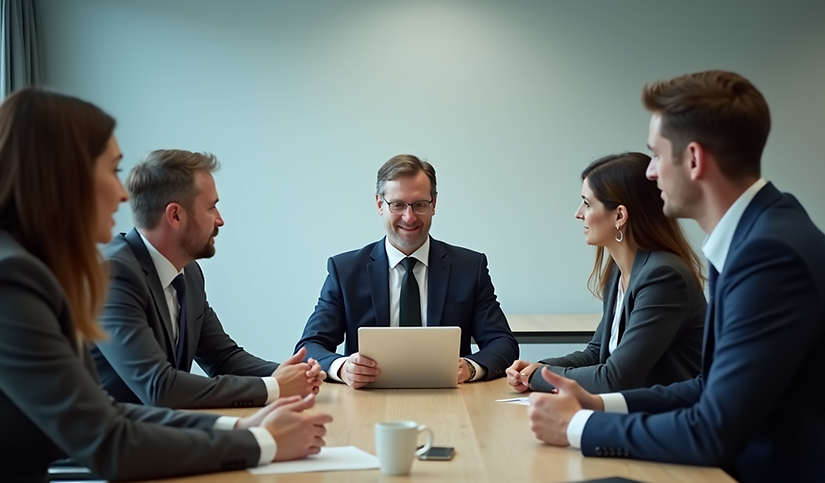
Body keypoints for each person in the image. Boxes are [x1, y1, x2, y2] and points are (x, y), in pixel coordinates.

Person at [0, 89, 331, 483]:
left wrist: (242, 428)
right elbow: (108, 439)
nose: (121, 193)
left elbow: (103, 411)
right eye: (112, 170)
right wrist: (262, 445)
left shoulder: (15, 267)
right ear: (62, 177)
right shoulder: (3, 277)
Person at [527, 70, 825, 483]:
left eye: (657, 154)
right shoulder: (754, 236)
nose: (649, 171)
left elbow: (712, 430)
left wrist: (577, 428)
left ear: (695, 159)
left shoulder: (770, 254)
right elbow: (709, 387)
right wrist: (601, 407)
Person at [91, 150, 325, 408]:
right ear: (175, 216)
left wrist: (292, 373)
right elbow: (159, 387)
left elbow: (223, 358)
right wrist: (274, 386)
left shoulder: (188, 272)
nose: (220, 220)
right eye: (211, 207)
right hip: (111, 442)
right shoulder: (112, 275)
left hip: (165, 433)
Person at [296, 154, 519, 388]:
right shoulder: (345, 271)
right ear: (380, 204)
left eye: (420, 205)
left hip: (451, 398)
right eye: (398, 204)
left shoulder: (469, 268)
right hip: (367, 399)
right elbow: (310, 346)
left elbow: (503, 343)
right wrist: (343, 368)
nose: (409, 217)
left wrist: (471, 368)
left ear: (433, 205)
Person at [505, 152, 704, 394]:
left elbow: (614, 378)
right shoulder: (619, 273)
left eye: (587, 204)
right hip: (633, 414)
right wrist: (541, 367)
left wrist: (539, 377)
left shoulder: (663, 277)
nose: (578, 214)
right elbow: (596, 353)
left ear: (619, 215)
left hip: (669, 421)